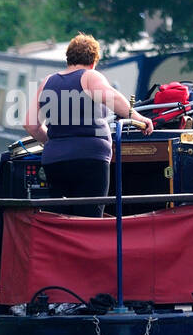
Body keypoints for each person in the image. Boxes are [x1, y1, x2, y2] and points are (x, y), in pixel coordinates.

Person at [24, 33, 154, 216]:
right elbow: (113, 97)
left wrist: (54, 141)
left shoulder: (47, 81)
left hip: (55, 162)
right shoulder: (89, 76)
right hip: (89, 160)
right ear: (94, 61)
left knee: (59, 218)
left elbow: (30, 125)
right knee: (89, 218)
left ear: (68, 58)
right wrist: (139, 118)